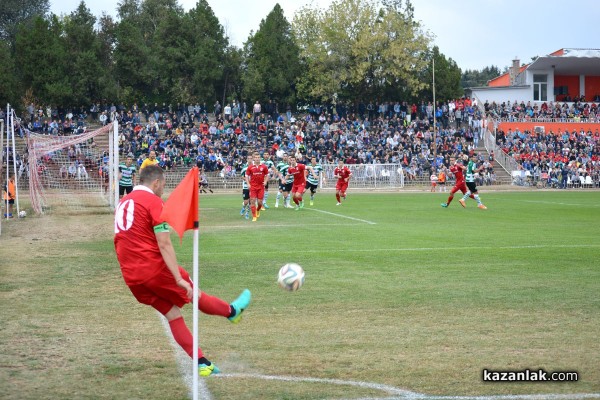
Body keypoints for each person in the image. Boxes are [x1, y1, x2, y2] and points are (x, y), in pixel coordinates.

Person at [114, 165, 251, 377]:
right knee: (193, 292)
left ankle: (202, 363)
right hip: (153, 269)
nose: (163, 190)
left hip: (131, 276)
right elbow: (164, 243)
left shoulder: (123, 201)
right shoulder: (153, 201)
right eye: (163, 185)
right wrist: (177, 278)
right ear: (157, 182)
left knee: (172, 314)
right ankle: (232, 312)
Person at [245, 152, 269, 222]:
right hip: (253, 187)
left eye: (258, 157)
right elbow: (246, 176)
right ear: (254, 159)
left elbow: (267, 175)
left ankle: (258, 210)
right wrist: (248, 184)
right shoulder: (250, 167)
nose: (257, 159)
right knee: (252, 201)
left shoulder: (264, 166)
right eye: (256, 157)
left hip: (261, 187)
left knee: (260, 202)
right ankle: (254, 216)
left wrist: (265, 181)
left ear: (260, 158)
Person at [239, 155, 252, 219]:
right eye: (248, 158)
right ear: (247, 159)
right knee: (246, 201)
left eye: (251, 158)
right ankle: (243, 207)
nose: (250, 160)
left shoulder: (254, 167)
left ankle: (247, 213)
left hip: (253, 186)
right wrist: (247, 179)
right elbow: (242, 176)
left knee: (251, 201)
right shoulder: (244, 167)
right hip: (245, 186)